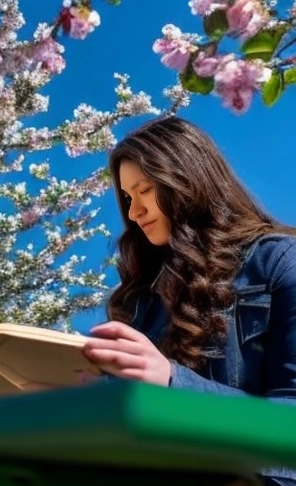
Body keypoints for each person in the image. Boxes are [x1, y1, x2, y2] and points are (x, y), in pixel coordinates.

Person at [81, 116, 296, 486]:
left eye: (145, 190)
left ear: (189, 181)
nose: (133, 212)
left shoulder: (277, 263)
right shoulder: (142, 302)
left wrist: (171, 383)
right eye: (128, 198)